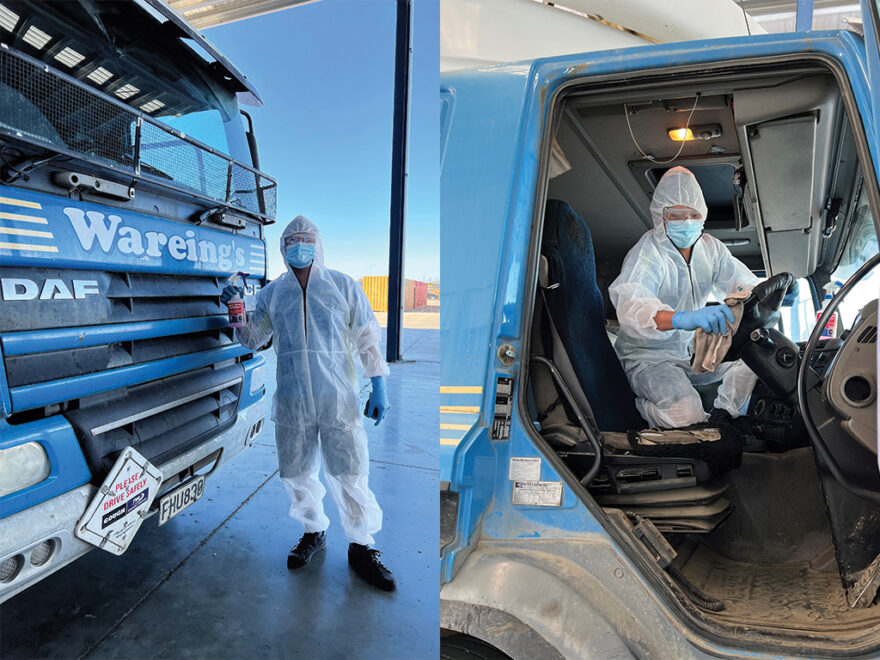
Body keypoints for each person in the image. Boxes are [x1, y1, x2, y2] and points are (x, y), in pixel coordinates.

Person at [221, 215, 395, 591]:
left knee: (350, 473)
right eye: (291, 241)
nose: (299, 246)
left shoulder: (343, 286)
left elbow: (366, 339)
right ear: (283, 249)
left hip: (339, 398)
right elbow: (253, 339)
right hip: (293, 399)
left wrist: (378, 384)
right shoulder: (272, 294)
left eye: (306, 239)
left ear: (318, 244)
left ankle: (362, 545)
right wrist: (236, 311)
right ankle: (313, 530)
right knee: (296, 472)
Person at [608, 166, 760, 429]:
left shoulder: (711, 248)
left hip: (689, 350)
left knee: (756, 357)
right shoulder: (648, 251)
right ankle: (638, 407)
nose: (686, 221)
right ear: (660, 216)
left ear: (702, 216)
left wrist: (767, 291)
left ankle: (725, 416)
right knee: (686, 416)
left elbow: (742, 282)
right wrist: (682, 318)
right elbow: (632, 304)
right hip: (649, 357)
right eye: (676, 215)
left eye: (693, 214)